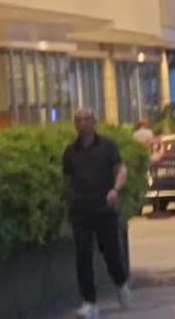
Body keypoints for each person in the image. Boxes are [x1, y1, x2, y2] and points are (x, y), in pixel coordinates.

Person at [63, 108, 131, 319]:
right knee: (83, 257)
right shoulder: (70, 151)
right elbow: (67, 178)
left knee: (111, 253)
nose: (83, 123)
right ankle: (89, 303)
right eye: (78, 120)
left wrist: (115, 189)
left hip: (104, 209)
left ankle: (120, 283)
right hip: (81, 212)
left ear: (94, 122)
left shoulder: (107, 147)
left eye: (86, 119)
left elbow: (121, 170)